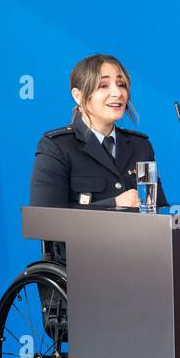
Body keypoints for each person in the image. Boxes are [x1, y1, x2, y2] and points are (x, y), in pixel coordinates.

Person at [30, 53, 168, 263]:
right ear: (78, 95)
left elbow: (160, 210)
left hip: (140, 260)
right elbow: (45, 221)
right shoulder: (57, 147)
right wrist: (114, 204)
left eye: (121, 84)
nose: (117, 93)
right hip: (83, 266)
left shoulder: (140, 146)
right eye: (104, 86)